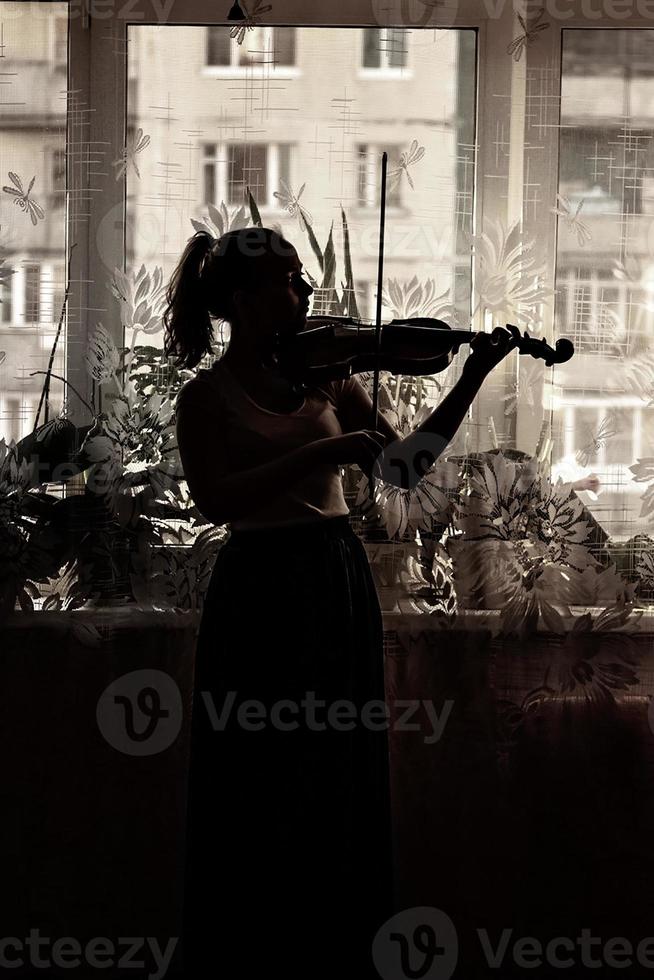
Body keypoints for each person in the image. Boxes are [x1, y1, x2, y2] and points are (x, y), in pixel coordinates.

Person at [166, 226, 515, 978]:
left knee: (335, 769)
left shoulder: (331, 380)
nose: (303, 293)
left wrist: (472, 375)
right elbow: (214, 502)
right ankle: (254, 955)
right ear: (238, 299)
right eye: (287, 281)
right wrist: (320, 452)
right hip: (259, 585)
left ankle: (334, 953)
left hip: (332, 576)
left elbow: (403, 467)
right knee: (260, 773)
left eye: (301, 279)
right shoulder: (205, 397)